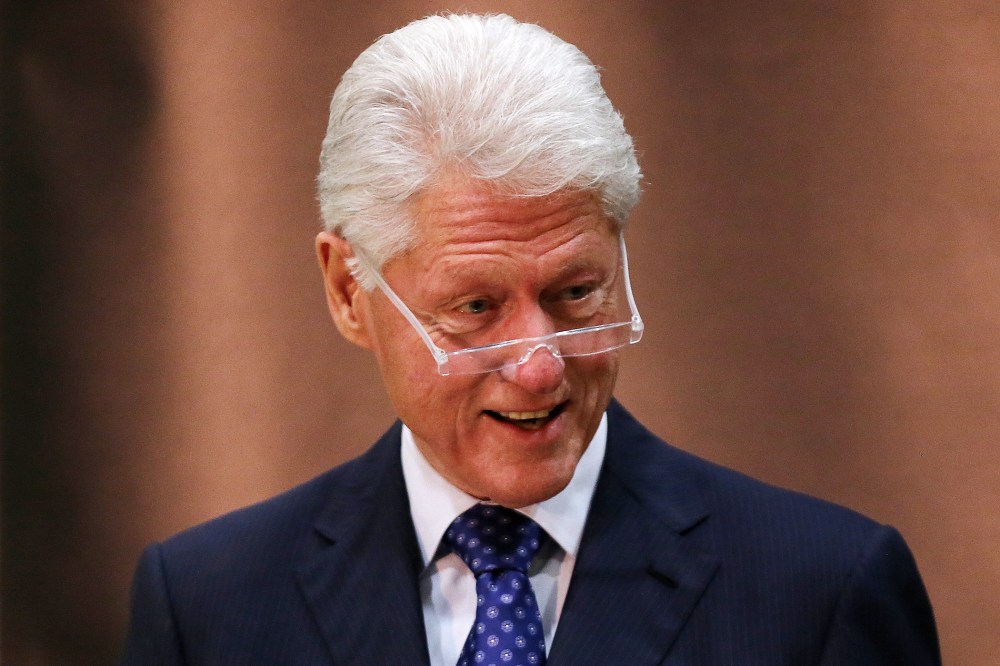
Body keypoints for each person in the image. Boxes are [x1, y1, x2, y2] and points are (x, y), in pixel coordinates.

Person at [121, 13, 940, 665]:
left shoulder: (822, 592)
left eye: (576, 293)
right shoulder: (208, 605)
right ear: (347, 291)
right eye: (475, 307)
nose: (541, 366)